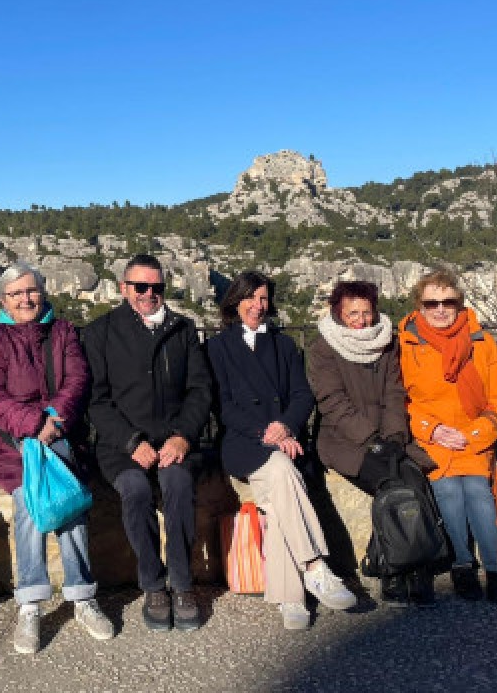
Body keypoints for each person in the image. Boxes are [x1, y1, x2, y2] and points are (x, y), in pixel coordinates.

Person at [0, 262, 115, 654]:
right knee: (28, 501)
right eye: (16, 294)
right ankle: (31, 602)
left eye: (31, 290)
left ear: (43, 292)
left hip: (61, 435)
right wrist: (34, 424)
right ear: (3, 301)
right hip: (12, 445)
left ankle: (82, 596)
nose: (25, 299)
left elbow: (77, 381)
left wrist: (52, 421)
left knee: (71, 503)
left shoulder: (63, 331)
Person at [208, 271, 357, 630]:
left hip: (285, 440)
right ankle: (314, 566)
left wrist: (285, 426)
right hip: (243, 443)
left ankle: (291, 598)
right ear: (235, 301)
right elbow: (223, 406)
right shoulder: (216, 348)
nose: (257, 305)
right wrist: (266, 433)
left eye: (263, 298)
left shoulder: (285, 346)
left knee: (278, 496)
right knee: (279, 468)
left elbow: (303, 395)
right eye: (250, 297)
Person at [81, 254, 212, 632]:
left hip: (175, 442)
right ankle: (153, 585)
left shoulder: (182, 329)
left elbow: (200, 390)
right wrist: (130, 441)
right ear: (124, 288)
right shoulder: (101, 332)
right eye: (140, 286)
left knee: (178, 483)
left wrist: (182, 436)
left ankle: (182, 584)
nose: (149, 293)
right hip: (121, 447)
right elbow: (96, 400)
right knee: (135, 490)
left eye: (157, 287)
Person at [309, 280, 439, 607]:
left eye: (366, 312)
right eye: (353, 314)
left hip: (388, 436)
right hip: (346, 440)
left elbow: (395, 393)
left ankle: (413, 568)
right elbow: (333, 402)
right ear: (338, 314)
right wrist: (371, 439)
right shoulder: (323, 348)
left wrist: (393, 436)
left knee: (414, 480)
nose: (361, 320)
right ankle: (393, 571)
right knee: (391, 485)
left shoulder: (386, 342)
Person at [398, 268, 497, 604]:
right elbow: (401, 401)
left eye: (448, 302)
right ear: (420, 306)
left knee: (478, 491)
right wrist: (432, 430)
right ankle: (463, 564)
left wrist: (475, 433)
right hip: (433, 439)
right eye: (431, 303)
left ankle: (493, 570)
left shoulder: (481, 342)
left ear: (459, 303)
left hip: (474, 435)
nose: (440, 309)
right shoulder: (406, 344)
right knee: (448, 490)